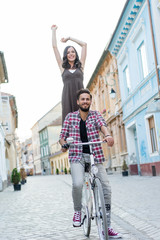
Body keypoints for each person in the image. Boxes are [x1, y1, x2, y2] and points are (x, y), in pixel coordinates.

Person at [59, 89, 122, 238]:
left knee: (106, 188)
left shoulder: (96, 115)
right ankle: (77, 211)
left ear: (90, 101)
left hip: (95, 155)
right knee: (78, 184)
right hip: (76, 156)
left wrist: (107, 135)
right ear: (78, 102)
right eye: (82, 99)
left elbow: (102, 125)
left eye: (88, 99)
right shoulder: (70, 117)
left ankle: (107, 227)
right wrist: (64, 144)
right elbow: (62, 136)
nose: (85, 101)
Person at [51, 25, 87, 123]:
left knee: (83, 121)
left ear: (75, 53)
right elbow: (54, 47)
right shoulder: (63, 67)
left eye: (72, 51)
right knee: (69, 122)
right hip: (67, 97)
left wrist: (69, 38)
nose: (71, 54)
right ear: (66, 55)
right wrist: (53, 31)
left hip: (81, 98)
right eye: (68, 52)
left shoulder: (81, 65)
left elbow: (84, 45)